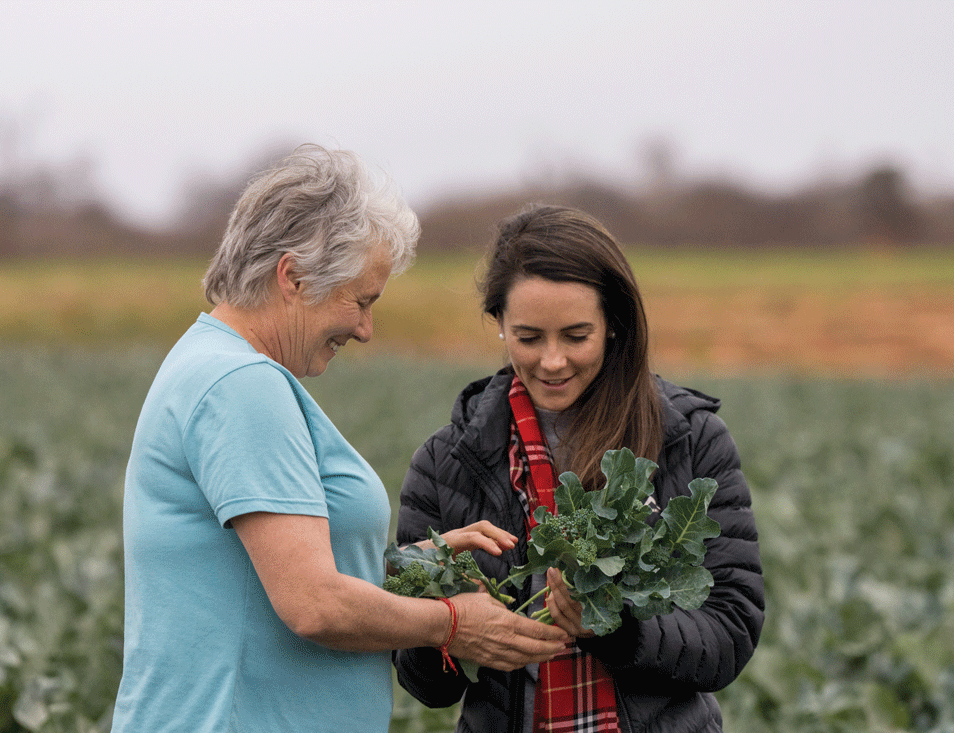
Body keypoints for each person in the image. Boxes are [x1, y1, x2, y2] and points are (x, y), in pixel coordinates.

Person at [110, 146, 568, 733]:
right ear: (293, 276)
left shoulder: (213, 364)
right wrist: (453, 623)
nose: (365, 329)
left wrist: (414, 564)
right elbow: (312, 604)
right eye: (361, 300)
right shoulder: (239, 386)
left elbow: (263, 575)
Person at [393, 205, 765, 733]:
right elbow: (425, 687)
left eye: (575, 335)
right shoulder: (445, 464)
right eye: (528, 337)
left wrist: (616, 628)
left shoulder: (688, 441)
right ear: (499, 324)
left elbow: (729, 635)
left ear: (613, 324)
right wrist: (446, 619)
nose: (552, 361)